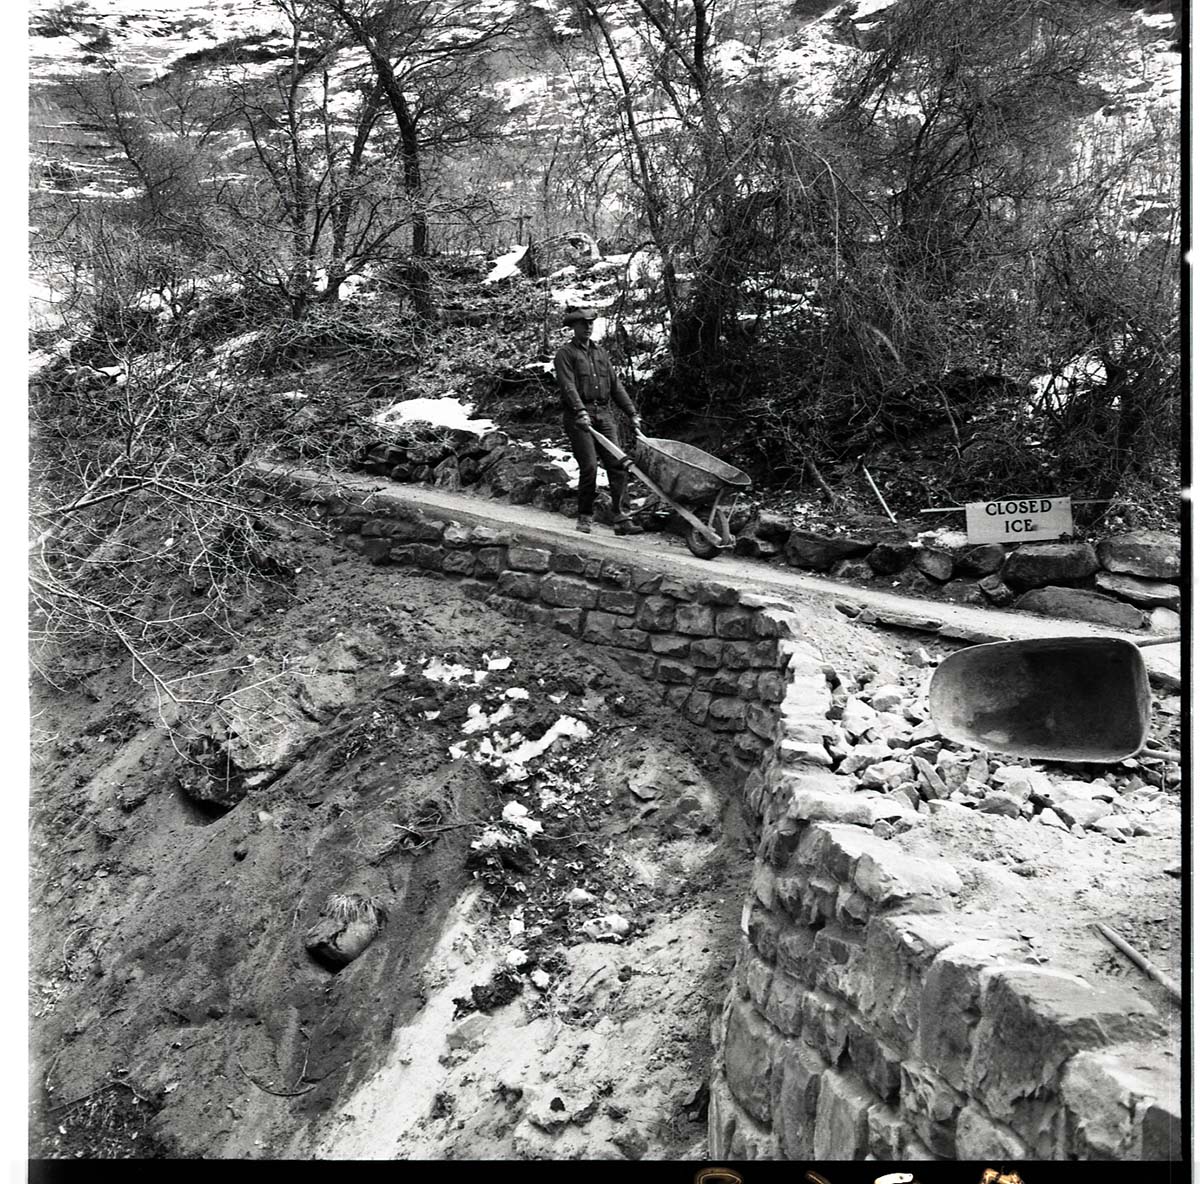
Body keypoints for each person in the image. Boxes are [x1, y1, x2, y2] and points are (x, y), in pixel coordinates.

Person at [553, 306, 645, 535]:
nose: (588, 327)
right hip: (578, 417)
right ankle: (584, 516)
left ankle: (622, 518)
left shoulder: (600, 353)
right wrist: (580, 411)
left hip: (604, 413)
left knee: (618, 464)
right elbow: (568, 386)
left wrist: (631, 412)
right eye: (583, 324)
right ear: (573, 327)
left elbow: (615, 386)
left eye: (591, 323)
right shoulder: (565, 354)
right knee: (590, 466)